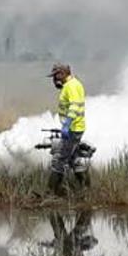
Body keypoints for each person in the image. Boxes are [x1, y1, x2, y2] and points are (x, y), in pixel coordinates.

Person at [47, 63, 86, 195]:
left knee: (59, 159)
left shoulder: (72, 86)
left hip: (73, 129)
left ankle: (52, 193)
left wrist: (67, 124)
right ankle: (85, 189)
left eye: (56, 75)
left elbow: (74, 106)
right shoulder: (69, 85)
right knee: (74, 160)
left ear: (63, 73)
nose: (54, 79)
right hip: (73, 128)